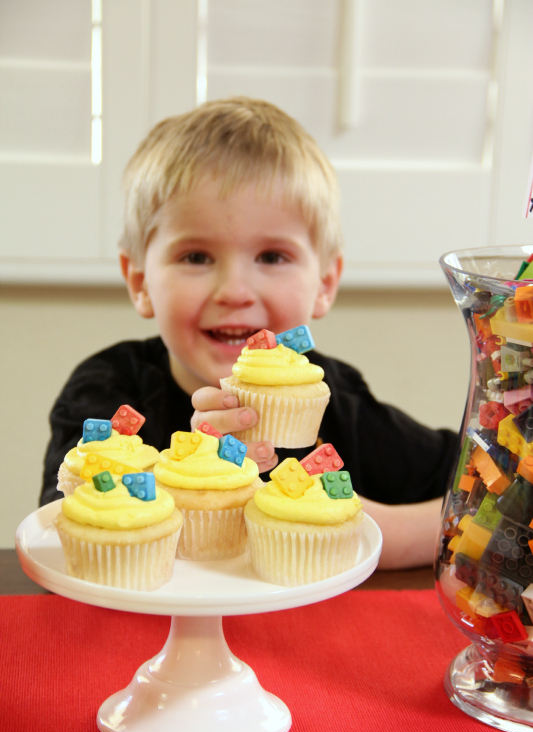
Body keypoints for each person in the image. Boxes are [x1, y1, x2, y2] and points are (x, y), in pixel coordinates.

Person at [40, 97, 458, 569]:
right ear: (140, 283)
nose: (235, 291)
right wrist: (198, 485)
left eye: (272, 257)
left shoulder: (337, 399)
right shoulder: (103, 389)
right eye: (196, 257)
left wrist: (369, 526)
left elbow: (488, 489)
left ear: (324, 284)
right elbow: (64, 535)